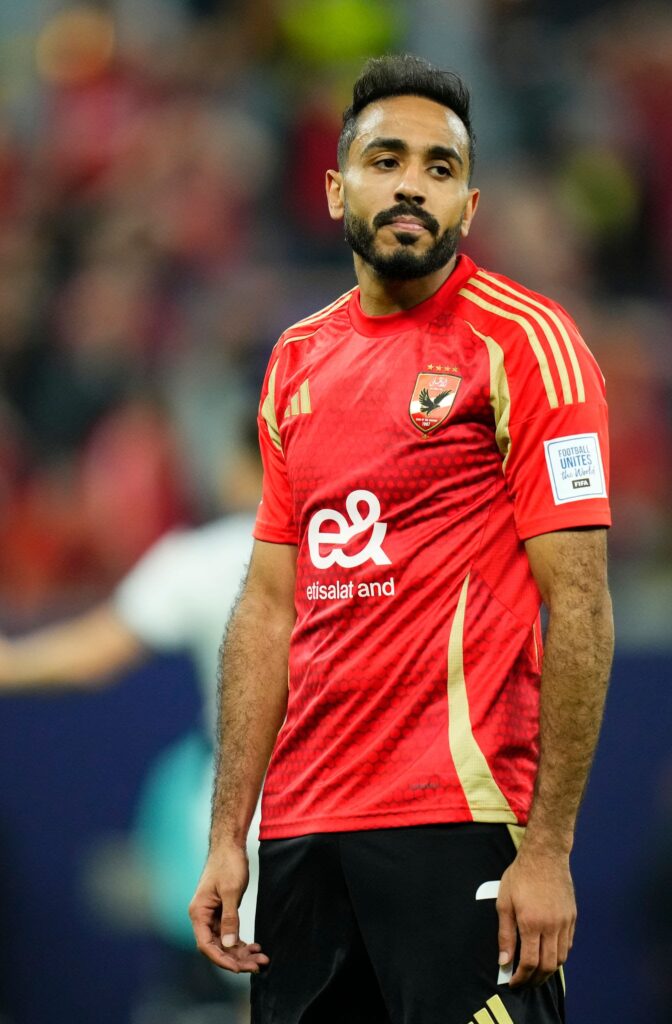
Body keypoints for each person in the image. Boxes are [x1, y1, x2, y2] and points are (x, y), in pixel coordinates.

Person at [190, 54, 614, 1024]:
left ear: (468, 203)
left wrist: (546, 847)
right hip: (302, 838)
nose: (412, 183)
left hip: (456, 827)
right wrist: (229, 833)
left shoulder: (525, 345)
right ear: (338, 186)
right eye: (387, 159)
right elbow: (266, 606)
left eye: (438, 166)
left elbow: (581, 601)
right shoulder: (295, 359)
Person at [0, 437, 262, 1022]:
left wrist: (11, 665)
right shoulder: (368, 545)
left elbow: (96, 653)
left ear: (247, 461)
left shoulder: (205, 558)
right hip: (360, 821)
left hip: (247, 829)